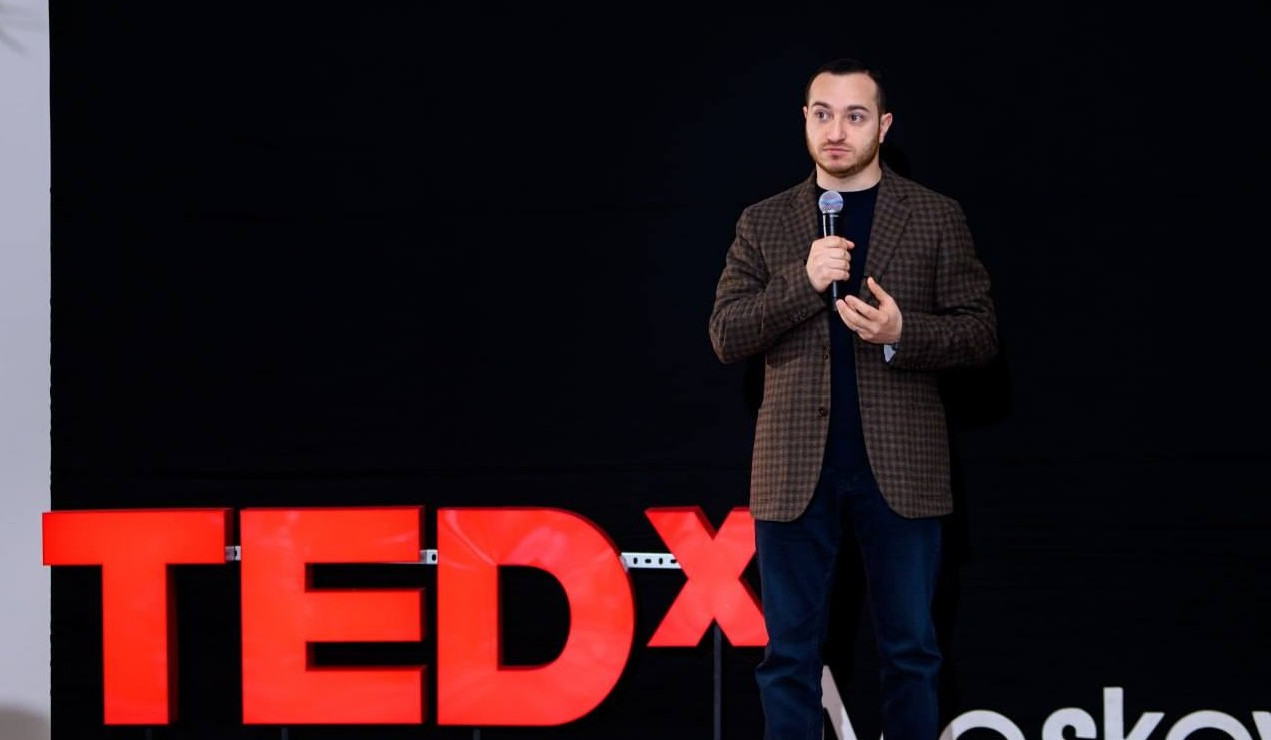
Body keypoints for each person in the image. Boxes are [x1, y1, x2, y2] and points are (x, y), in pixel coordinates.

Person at [707, 57, 999, 740]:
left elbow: (980, 333)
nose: (836, 131)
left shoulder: (934, 216)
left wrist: (903, 334)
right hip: (792, 471)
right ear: (804, 121)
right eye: (823, 114)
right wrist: (801, 281)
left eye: (855, 115)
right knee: (788, 659)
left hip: (901, 470)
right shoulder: (764, 222)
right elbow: (725, 334)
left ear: (883, 125)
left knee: (911, 654)